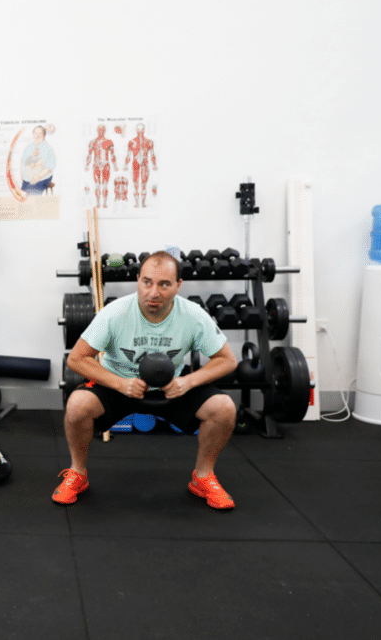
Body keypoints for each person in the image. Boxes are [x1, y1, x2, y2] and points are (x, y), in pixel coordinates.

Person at [54, 251, 238, 509]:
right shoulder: (115, 313)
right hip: (119, 386)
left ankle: (203, 476)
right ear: (138, 280)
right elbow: (77, 359)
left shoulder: (193, 315)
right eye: (147, 282)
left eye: (164, 284)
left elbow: (227, 360)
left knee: (224, 408)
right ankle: (77, 473)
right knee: (77, 404)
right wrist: (119, 383)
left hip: (171, 388)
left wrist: (189, 381)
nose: (153, 292)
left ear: (178, 285)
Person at [20, 125, 56, 194]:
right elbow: (22, 162)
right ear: (33, 135)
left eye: (40, 134)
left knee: (32, 198)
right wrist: (22, 178)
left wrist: (38, 176)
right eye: (35, 133)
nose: (37, 136)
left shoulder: (48, 148)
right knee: (22, 197)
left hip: (41, 178)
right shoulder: (28, 147)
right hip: (27, 180)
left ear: (44, 135)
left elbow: (49, 167)